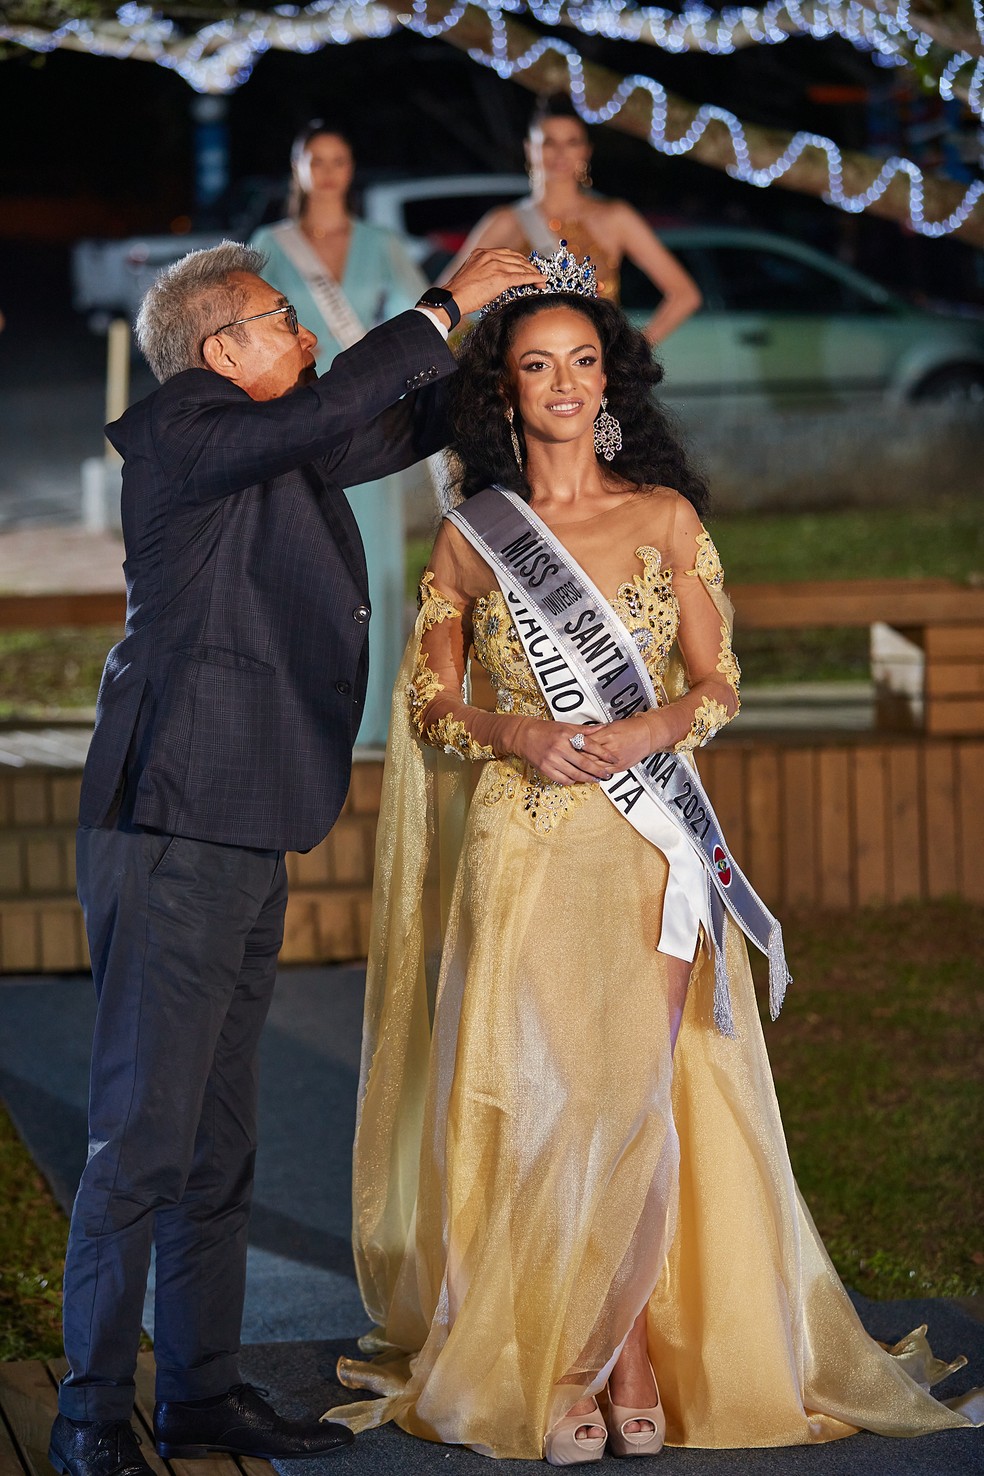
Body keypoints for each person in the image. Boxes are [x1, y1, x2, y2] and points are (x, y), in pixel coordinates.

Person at [328, 257, 981, 1462]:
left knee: (638, 1093)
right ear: (505, 394)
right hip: (524, 851)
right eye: (537, 366)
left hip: (652, 844)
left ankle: (629, 1354)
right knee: (542, 1094)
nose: (563, 384)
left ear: (609, 378)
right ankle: (570, 1358)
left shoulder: (667, 518)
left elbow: (721, 681)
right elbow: (428, 700)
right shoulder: (477, 536)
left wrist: (651, 727)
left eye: (582, 362)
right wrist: (515, 729)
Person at [49, 238, 543, 1476]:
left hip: (240, 827)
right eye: (285, 319)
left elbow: (381, 417)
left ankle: (203, 1394)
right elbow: (338, 398)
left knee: (217, 1150)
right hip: (171, 830)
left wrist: (504, 341)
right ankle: (90, 1418)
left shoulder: (273, 437)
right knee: (139, 1147)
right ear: (223, 349)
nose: (309, 336)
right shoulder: (183, 435)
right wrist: (440, 302)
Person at [251, 121, 432, 746]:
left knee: (372, 565)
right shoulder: (269, 243)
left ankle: (372, 719)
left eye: (339, 158)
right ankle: (306, 714)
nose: (327, 171)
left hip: (364, 418)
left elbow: (422, 314)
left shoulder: (381, 242)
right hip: (296, 417)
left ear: (352, 169)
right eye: (316, 159)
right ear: (299, 168)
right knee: (302, 558)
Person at [441, 92, 702, 344]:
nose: (560, 153)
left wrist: (630, 357)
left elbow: (684, 295)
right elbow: (446, 298)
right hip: (531, 376)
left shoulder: (614, 217)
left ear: (586, 151)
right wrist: (487, 357)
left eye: (572, 142)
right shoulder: (507, 221)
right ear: (529, 148)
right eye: (548, 142)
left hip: (595, 375)